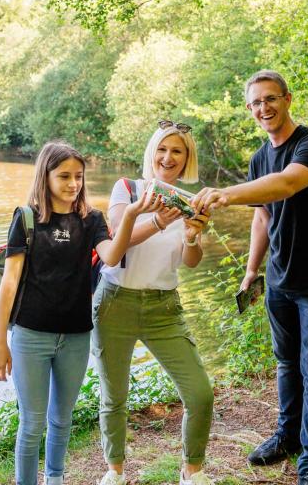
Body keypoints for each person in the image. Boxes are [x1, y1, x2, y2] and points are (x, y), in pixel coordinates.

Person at [193, 71, 308, 485]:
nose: (264, 108)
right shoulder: (260, 157)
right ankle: (286, 437)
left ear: (287, 99)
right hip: (280, 281)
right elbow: (263, 214)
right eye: (256, 103)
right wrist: (250, 271)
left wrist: (226, 193)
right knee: (285, 365)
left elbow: (286, 184)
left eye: (270, 99)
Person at [0, 141, 159, 485]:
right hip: (30, 335)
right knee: (32, 422)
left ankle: (55, 478)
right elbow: (9, 284)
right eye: (64, 176)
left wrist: (129, 215)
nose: (73, 184)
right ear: (45, 176)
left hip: (77, 336)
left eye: (78, 176)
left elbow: (111, 256)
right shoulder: (26, 218)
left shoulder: (92, 219)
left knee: (62, 419)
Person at [93, 120, 215, 485]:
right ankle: (114, 471)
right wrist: (160, 222)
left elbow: (190, 261)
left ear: (186, 158)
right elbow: (116, 238)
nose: (168, 157)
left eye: (177, 151)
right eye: (162, 149)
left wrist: (193, 236)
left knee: (200, 393)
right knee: (114, 396)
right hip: (115, 303)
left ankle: (191, 471)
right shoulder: (127, 189)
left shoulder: (188, 202)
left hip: (164, 308)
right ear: (152, 153)